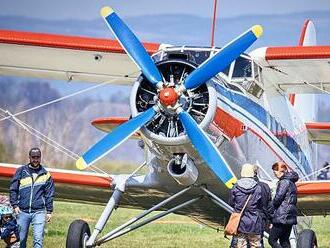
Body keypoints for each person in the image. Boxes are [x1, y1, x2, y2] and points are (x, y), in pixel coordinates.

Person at [9, 147, 55, 248]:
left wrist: (49, 211)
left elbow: (49, 194)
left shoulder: (46, 175)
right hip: (22, 211)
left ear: (40, 158)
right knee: (21, 240)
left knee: (38, 240)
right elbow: (13, 189)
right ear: (29, 157)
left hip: (39, 211)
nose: (35, 159)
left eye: (38, 157)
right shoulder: (21, 171)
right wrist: (15, 205)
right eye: (33, 157)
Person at [229, 163, 263, 248]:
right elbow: (260, 204)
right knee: (255, 245)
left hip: (240, 221)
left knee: (240, 245)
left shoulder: (235, 187)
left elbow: (231, 203)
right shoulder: (258, 187)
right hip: (254, 221)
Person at [268, 162, 299, 248]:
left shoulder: (283, 182)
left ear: (281, 171)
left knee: (272, 240)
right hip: (290, 216)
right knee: (284, 241)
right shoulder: (291, 181)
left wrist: (271, 207)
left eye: (275, 171)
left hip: (282, 216)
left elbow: (278, 198)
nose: (274, 173)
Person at [254, 168, 272, 247]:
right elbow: (269, 204)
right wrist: (271, 220)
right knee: (258, 242)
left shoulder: (238, 185)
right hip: (261, 218)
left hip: (245, 219)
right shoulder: (264, 186)